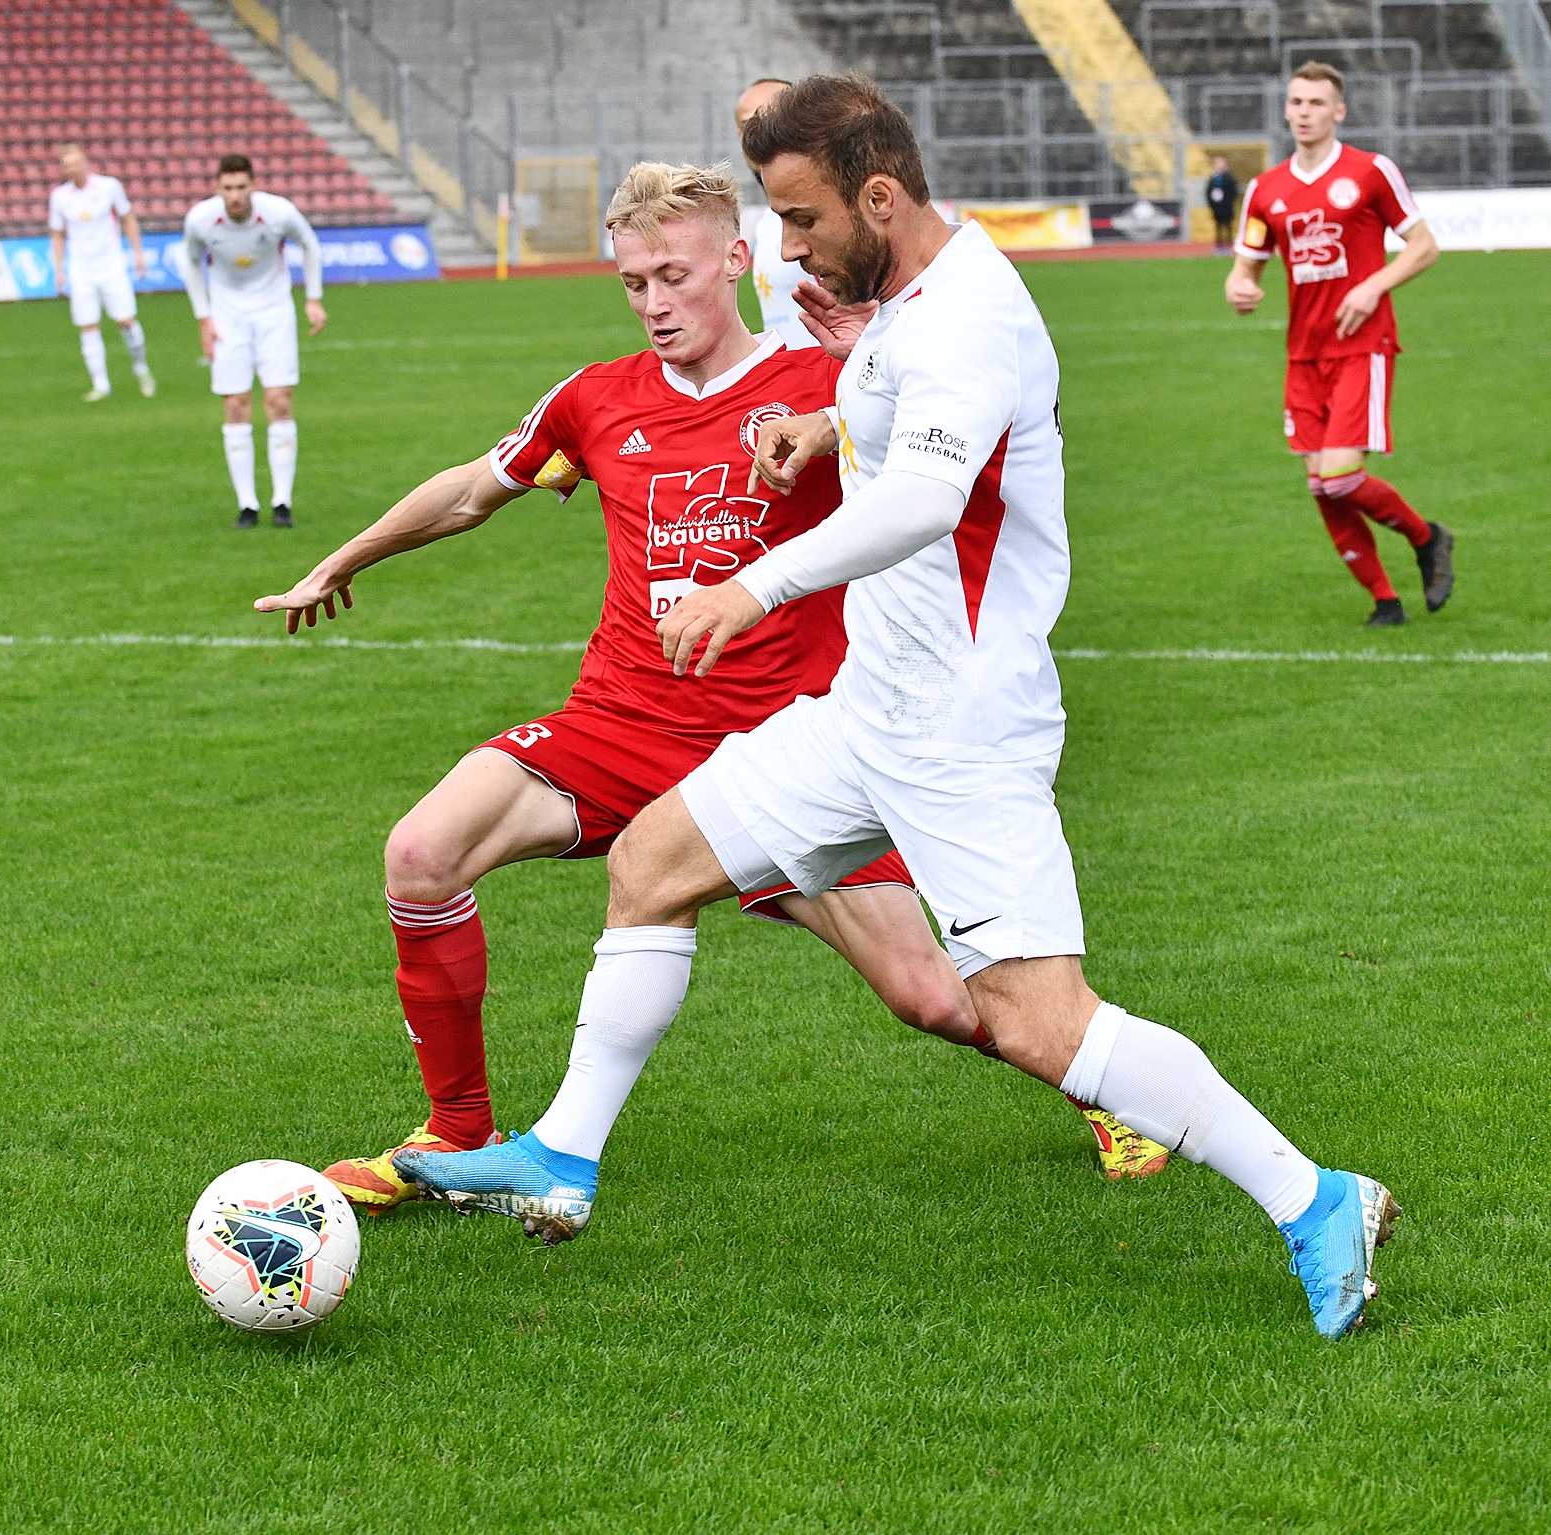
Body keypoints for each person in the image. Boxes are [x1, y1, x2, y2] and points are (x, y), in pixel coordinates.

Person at [402, 77, 1397, 1342]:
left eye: (805, 220)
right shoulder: (908, 297)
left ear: (881, 197)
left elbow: (929, 498)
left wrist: (747, 588)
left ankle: (1316, 1196)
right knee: (652, 860)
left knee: (1038, 1021)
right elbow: (905, 431)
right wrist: (822, 424)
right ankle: (563, 1156)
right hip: (869, 704)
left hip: (962, 728)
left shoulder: (967, 318)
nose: (791, 250)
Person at [255, 159, 1165, 1219]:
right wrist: (343, 559)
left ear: (737, 259)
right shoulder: (595, 398)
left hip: (790, 745)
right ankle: (460, 1126)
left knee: (935, 997)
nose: (653, 302)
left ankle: (1111, 1085)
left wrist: (841, 409)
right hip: (620, 724)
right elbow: (471, 489)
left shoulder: (832, 381)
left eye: (673, 275)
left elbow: (940, 468)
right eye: (633, 281)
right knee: (420, 853)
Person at [1225, 63, 1451, 627]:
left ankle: (1427, 538)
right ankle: (1385, 601)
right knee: (1322, 489)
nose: (1304, 112)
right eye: (1296, 102)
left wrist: (1373, 286)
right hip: (1303, 354)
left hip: (1362, 346)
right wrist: (1241, 286)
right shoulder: (1265, 189)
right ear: (1287, 108)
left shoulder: (1372, 172)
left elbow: (1424, 246)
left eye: (1317, 103)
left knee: (1342, 476)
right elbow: (1246, 266)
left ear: (1338, 111)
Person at [181, 154, 326, 529]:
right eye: (227, 188)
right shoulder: (200, 220)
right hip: (228, 316)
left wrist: (312, 298)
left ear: (253, 185)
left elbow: (309, 244)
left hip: (274, 313)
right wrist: (204, 318)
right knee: (236, 405)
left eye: (241, 186)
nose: (235, 195)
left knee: (279, 401)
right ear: (217, 188)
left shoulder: (279, 213)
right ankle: (247, 505)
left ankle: (282, 503)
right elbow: (193, 263)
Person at [48, 144, 154, 401]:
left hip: (111, 263)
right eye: (68, 164)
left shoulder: (109, 187)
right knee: (88, 326)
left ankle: (141, 369)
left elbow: (127, 218)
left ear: (86, 162)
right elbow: (57, 234)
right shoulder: (60, 197)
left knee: (126, 320)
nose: (73, 168)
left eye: (77, 162)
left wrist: (137, 251)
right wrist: (59, 269)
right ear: (63, 169)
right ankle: (101, 384)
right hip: (81, 268)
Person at [734, 78, 818, 350]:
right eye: (749, 126)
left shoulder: (838, 213)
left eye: (771, 120)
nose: (760, 135)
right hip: (792, 388)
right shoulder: (768, 223)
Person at [1204, 154, 1240, 252]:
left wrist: (1230, 201)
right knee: (1218, 227)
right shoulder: (1213, 178)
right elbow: (1208, 191)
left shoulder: (1229, 177)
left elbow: (1234, 191)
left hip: (1227, 206)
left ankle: (1229, 245)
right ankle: (1219, 245)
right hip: (1217, 207)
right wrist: (1212, 204)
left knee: (1228, 226)